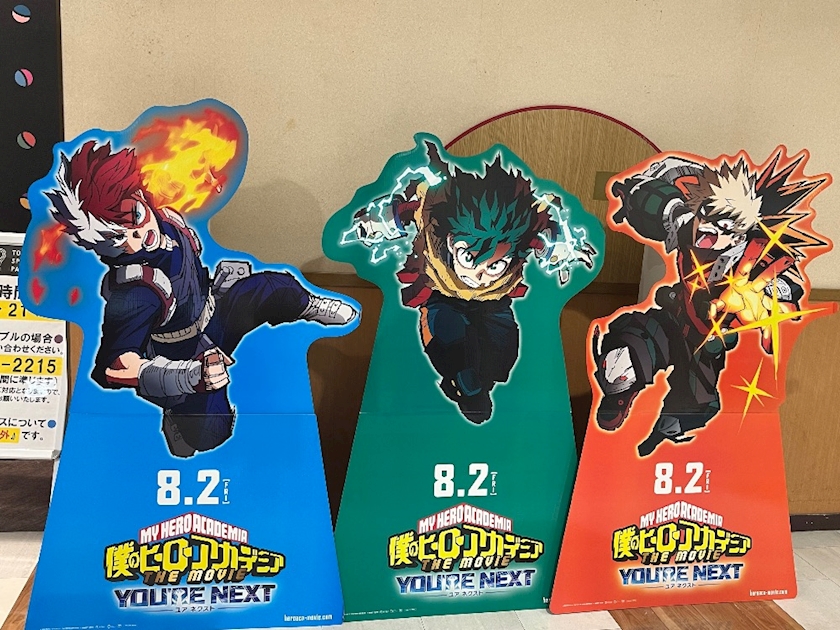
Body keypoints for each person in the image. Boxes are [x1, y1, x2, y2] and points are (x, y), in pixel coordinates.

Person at [47, 141, 357, 457]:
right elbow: (115, 368)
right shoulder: (135, 291)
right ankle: (180, 422)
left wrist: (219, 284)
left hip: (215, 314)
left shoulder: (169, 220)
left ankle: (311, 306)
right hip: (182, 354)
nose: (136, 236)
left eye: (133, 217)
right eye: (115, 240)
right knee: (210, 432)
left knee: (271, 287)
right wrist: (187, 376)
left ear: (140, 195)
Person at [595, 154, 823, 456]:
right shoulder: (688, 224)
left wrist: (762, 299)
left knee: (692, 409)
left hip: (705, 344)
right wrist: (632, 194)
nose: (711, 231)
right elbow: (656, 192)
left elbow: (788, 289)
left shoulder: (755, 259)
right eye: (708, 216)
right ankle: (619, 395)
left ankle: (663, 439)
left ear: (741, 233)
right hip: (672, 319)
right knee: (622, 357)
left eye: (726, 228)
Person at [350, 142, 595, 423]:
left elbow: (547, 222)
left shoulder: (523, 231)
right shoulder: (432, 210)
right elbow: (407, 207)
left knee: (502, 357)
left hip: (494, 301)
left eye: (495, 265)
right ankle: (466, 387)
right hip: (442, 295)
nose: (479, 274)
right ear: (450, 241)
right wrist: (379, 221)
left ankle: (478, 385)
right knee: (451, 343)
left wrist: (562, 248)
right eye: (469, 258)